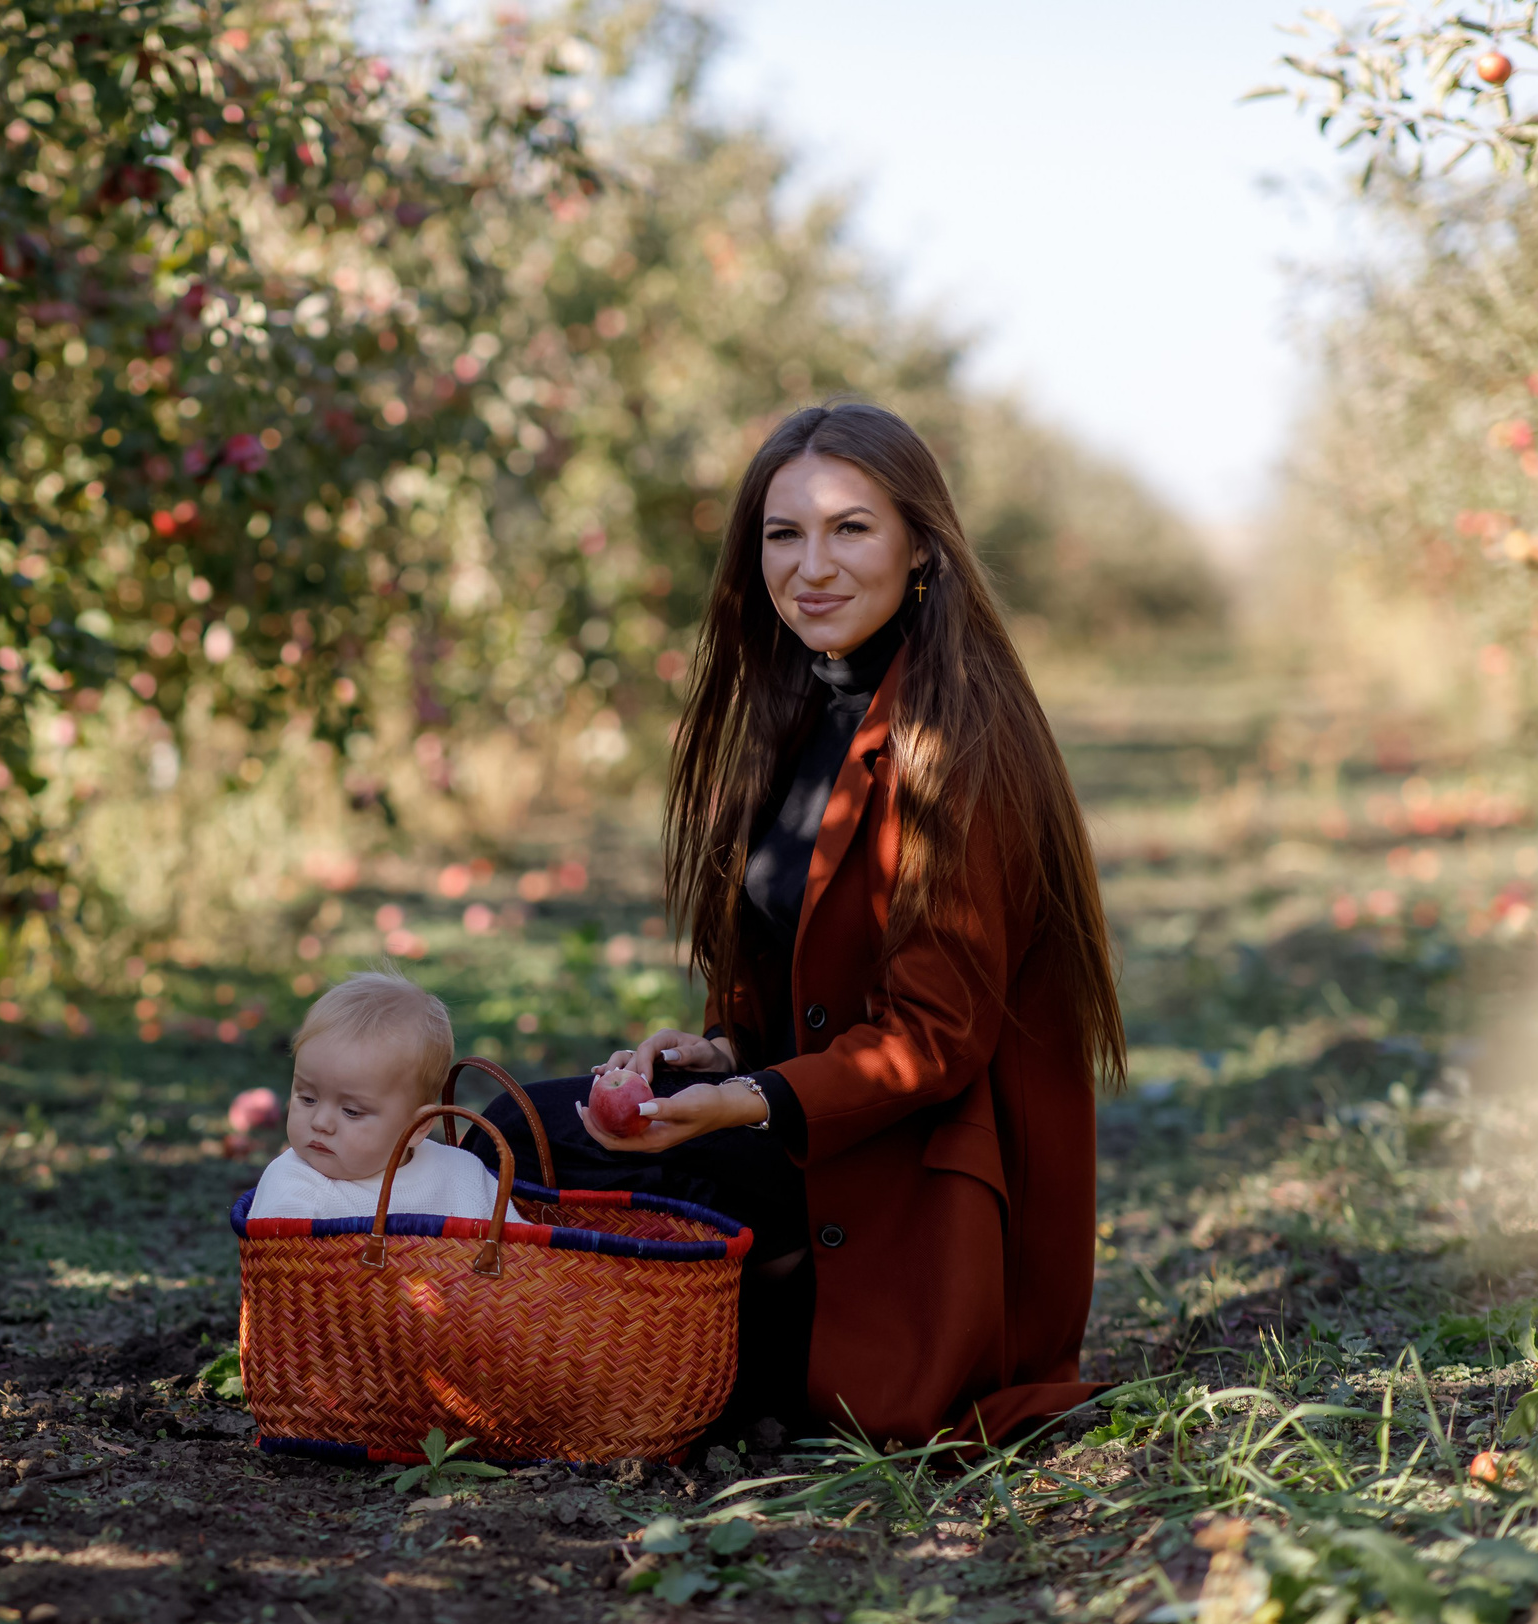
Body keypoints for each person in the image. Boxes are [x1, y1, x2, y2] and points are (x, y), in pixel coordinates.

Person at [478, 401, 1120, 1447]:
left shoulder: (960, 744)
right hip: (806, 1121)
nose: (810, 566)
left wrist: (739, 1100)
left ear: (920, 546)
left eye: (849, 529)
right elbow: (808, 977)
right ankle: (533, 1361)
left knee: (555, 1150)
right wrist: (724, 1046)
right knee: (513, 1134)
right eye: (784, 534)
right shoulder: (798, 711)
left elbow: (931, 1039)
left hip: (908, 1170)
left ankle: (727, 1349)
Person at [249, 971, 526, 1224]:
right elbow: (279, 1271)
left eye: (352, 1112)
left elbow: (521, 1254)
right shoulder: (293, 1186)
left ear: (418, 1126)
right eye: (308, 1099)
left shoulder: (464, 1176)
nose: (320, 1122)